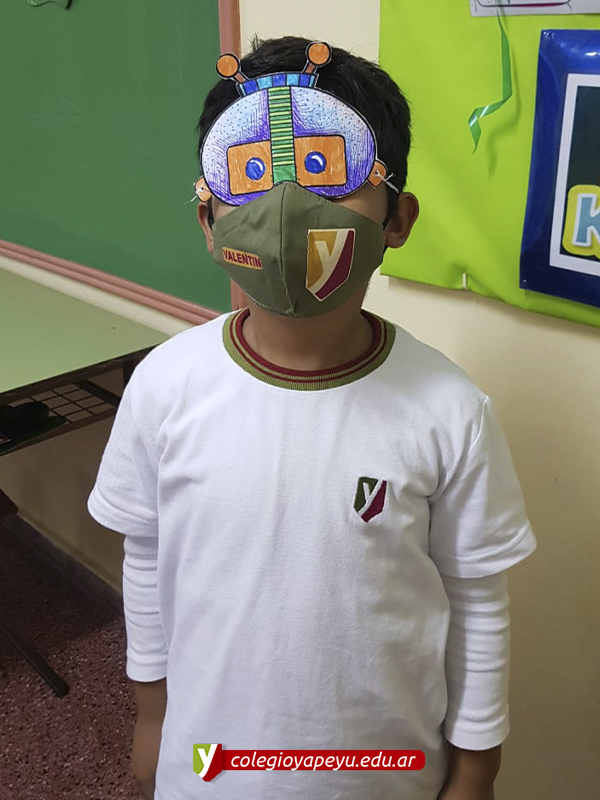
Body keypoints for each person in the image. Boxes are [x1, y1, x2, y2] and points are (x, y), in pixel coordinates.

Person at [87, 36, 536, 800]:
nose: (285, 205)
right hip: (211, 769)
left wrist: (476, 767)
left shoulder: (450, 410)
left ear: (398, 220)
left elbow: (476, 601)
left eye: (328, 168)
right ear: (208, 220)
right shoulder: (164, 385)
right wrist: (152, 711)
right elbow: (148, 557)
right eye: (250, 172)